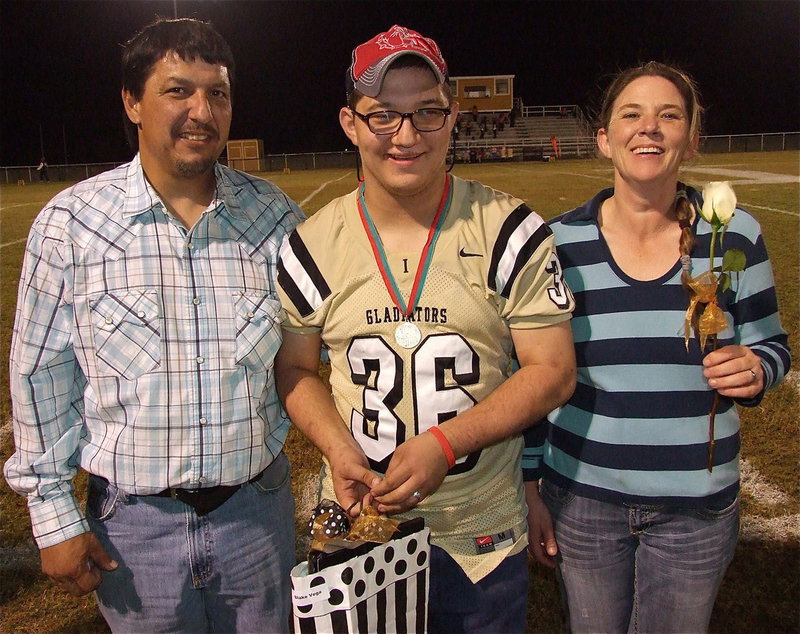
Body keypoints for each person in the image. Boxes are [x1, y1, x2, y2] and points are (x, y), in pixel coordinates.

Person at [4, 18, 304, 633]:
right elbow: (41, 376)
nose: (202, 110)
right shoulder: (72, 224)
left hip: (258, 516)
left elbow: (305, 359)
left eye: (217, 93)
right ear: (131, 102)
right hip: (134, 528)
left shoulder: (276, 219)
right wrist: (55, 516)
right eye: (178, 90)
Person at [275, 24, 576, 633]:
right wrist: (338, 448)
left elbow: (553, 370)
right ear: (350, 123)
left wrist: (446, 444)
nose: (406, 136)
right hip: (363, 533)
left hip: (479, 532)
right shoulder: (311, 245)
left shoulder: (510, 230)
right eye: (382, 116)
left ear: (454, 116)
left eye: (427, 113)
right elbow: (295, 367)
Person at [523, 61, 791, 633]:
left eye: (668, 115)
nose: (650, 128)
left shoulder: (735, 235)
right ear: (604, 139)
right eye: (632, 114)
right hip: (583, 499)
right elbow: (534, 374)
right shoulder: (558, 242)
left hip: (696, 506)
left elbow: (772, 345)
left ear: (690, 140)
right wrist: (529, 484)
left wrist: (756, 369)